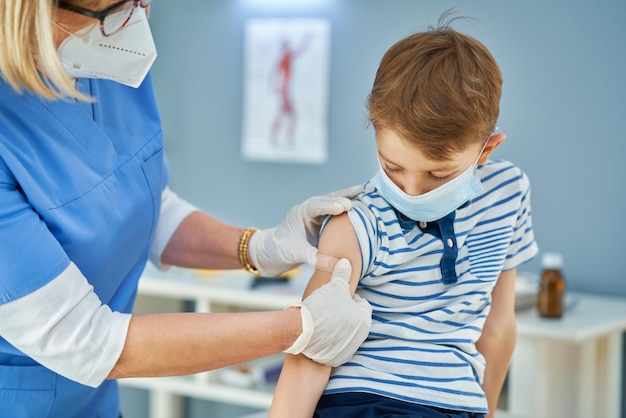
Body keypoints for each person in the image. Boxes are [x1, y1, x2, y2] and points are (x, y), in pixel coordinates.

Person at [0, 1, 372, 417]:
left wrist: (259, 247)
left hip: (97, 404)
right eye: (119, 8)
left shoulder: (104, 63)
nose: (137, 18)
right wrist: (298, 328)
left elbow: (143, 202)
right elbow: (87, 341)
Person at [269, 12, 538, 418]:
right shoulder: (357, 221)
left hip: (453, 402)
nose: (409, 191)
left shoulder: (508, 194)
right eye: (393, 167)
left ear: (486, 150)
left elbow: (498, 326)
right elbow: (313, 344)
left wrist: (487, 409)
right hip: (359, 400)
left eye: (437, 175)